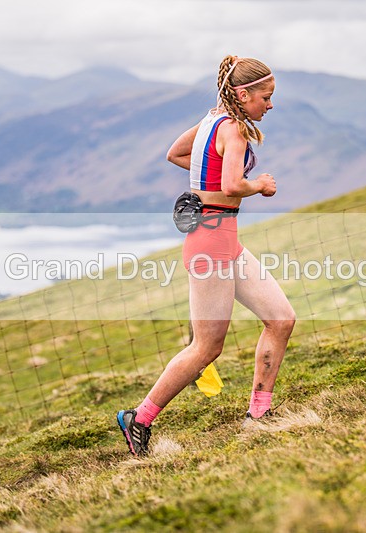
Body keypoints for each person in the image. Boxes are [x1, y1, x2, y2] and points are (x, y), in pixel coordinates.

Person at [116, 55, 296, 456]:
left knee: (281, 319)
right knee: (206, 347)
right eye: (265, 97)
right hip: (211, 246)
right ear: (243, 94)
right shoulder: (233, 129)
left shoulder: (211, 120)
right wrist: (260, 185)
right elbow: (233, 184)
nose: (270, 105)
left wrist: (205, 188)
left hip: (223, 240)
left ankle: (259, 416)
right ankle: (138, 418)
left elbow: (176, 154)